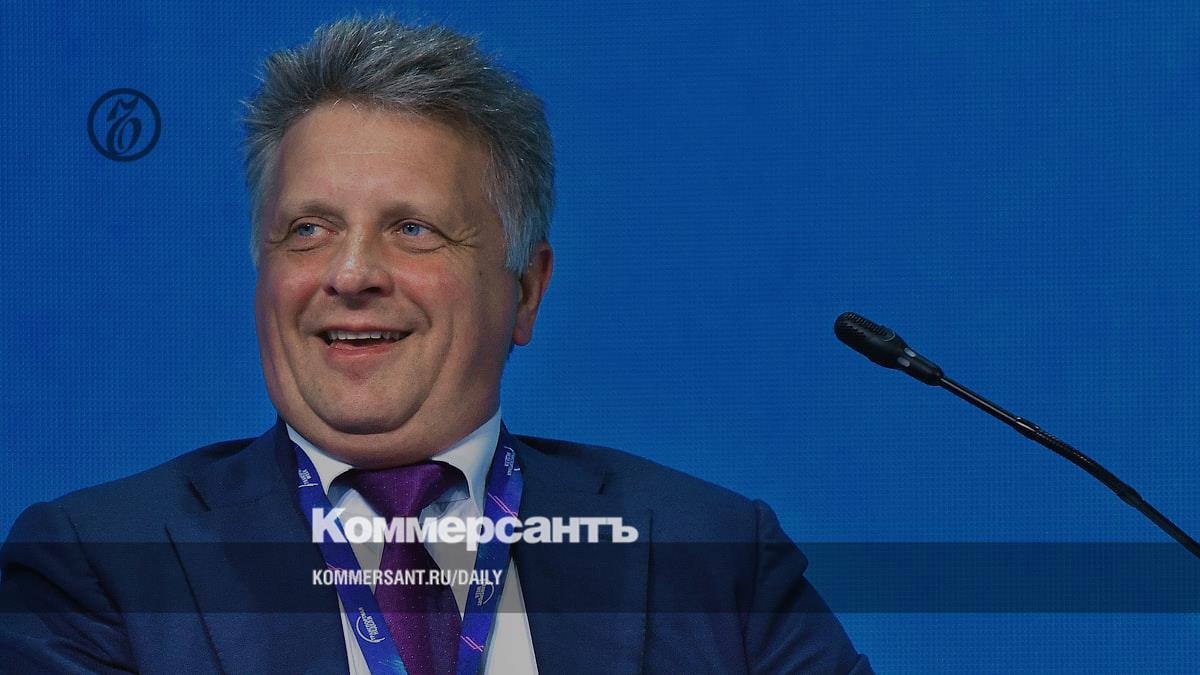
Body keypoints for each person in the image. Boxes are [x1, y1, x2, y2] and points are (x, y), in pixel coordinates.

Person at [0, 16, 872, 674]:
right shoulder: (96, 565)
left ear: (524, 289)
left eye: (412, 229)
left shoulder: (710, 554)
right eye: (307, 229)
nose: (349, 273)